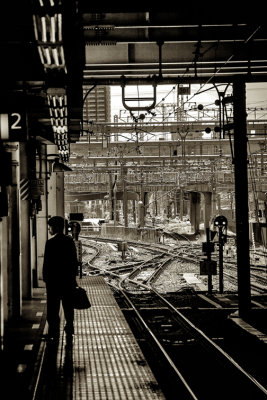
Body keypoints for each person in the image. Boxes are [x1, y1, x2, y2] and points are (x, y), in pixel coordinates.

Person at [43, 216, 78, 341]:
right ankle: (69, 326)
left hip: (53, 282)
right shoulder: (69, 242)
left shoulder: (50, 243)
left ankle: (53, 331)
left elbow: (47, 263)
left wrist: (46, 279)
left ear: (56, 227)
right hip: (67, 280)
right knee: (68, 306)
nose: (48, 229)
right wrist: (73, 278)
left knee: (53, 307)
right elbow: (74, 262)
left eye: (50, 227)